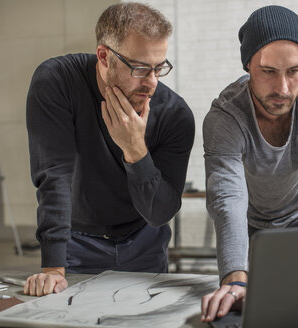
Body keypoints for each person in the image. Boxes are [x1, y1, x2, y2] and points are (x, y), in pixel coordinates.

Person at [24, 3, 194, 296]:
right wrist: (53, 268)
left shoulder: (175, 114)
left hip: (145, 242)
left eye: (159, 67)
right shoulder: (57, 82)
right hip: (77, 242)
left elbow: (160, 213)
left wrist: (135, 150)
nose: (152, 82)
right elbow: (55, 176)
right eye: (140, 68)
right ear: (104, 57)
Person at [201, 5, 298, 322]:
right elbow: (227, 197)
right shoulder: (225, 115)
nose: (283, 89)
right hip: (256, 233)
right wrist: (234, 278)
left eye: (294, 71)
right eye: (269, 72)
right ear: (248, 66)